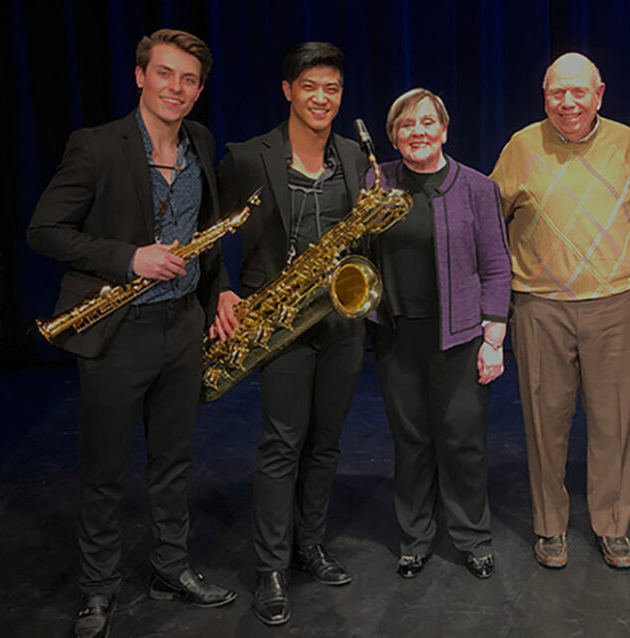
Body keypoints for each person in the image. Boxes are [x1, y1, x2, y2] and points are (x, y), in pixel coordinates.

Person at [26, 28, 237, 638]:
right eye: (165, 74)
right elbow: (44, 231)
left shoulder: (199, 141)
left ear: (199, 92)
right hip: (118, 330)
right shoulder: (95, 146)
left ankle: (171, 568)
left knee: (174, 461)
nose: (177, 87)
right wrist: (129, 258)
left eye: (189, 79)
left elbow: (207, 226)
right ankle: (98, 589)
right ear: (140, 76)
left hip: (182, 326)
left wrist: (219, 285)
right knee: (105, 470)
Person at [211, 42, 367, 626]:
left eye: (331, 87)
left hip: (340, 319)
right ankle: (271, 567)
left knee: (325, 443)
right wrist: (222, 288)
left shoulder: (354, 157)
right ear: (287, 91)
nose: (321, 97)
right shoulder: (249, 157)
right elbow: (206, 229)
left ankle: (310, 545)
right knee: (281, 444)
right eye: (309, 86)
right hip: (278, 322)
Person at [490, 53, 630, 570]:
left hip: (617, 303)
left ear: (599, 94)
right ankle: (550, 527)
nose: (567, 103)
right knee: (546, 423)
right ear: (544, 95)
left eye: (578, 92)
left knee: (615, 423)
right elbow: (487, 219)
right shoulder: (521, 145)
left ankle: (612, 526)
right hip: (541, 308)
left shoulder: (625, 141)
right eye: (556, 93)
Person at [367, 88, 511, 580]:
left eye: (428, 123)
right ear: (394, 136)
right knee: (411, 441)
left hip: (461, 335)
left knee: (463, 441)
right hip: (397, 334)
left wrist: (494, 338)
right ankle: (415, 537)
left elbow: (496, 265)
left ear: (444, 130)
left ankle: (472, 536)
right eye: (407, 125)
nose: (418, 132)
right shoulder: (376, 181)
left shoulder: (476, 187)